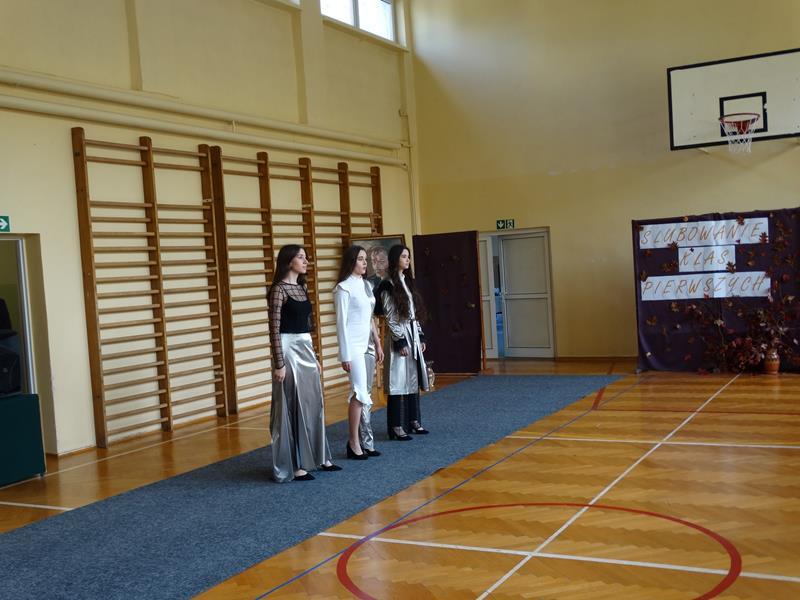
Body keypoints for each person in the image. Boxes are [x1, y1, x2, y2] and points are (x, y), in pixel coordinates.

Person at [267, 244, 340, 482]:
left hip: (305, 348)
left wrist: (315, 356)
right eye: (301, 257)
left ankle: (319, 456)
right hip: (287, 350)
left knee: (314, 402)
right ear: (289, 261)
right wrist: (279, 364)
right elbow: (274, 329)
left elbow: (306, 327)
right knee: (292, 405)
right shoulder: (278, 290)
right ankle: (296, 464)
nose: (306, 261)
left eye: (305, 257)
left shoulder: (301, 287)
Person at [334, 246, 384, 459]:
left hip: (367, 345)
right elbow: (341, 324)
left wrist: (377, 342)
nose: (365, 263)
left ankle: (364, 442)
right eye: (361, 259)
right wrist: (345, 355)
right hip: (353, 347)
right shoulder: (343, 288)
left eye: (366, 259)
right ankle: (353, 442)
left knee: (365, 395)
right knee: (359, 393)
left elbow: (370, 317)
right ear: (351, 261)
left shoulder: (366, 285)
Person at [377, 244, 430, 440]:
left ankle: (413, 420)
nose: (407, 260)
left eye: (408, 256)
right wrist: (400, 341)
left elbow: (413, 314)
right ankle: (396, 426)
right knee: (398, 381)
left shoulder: (407, 281)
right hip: (398, 335)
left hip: (412, 333)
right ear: (395, 259)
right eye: (404, 256)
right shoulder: (387, 284)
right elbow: (390, 317)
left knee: (412, 379)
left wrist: (420, 335)